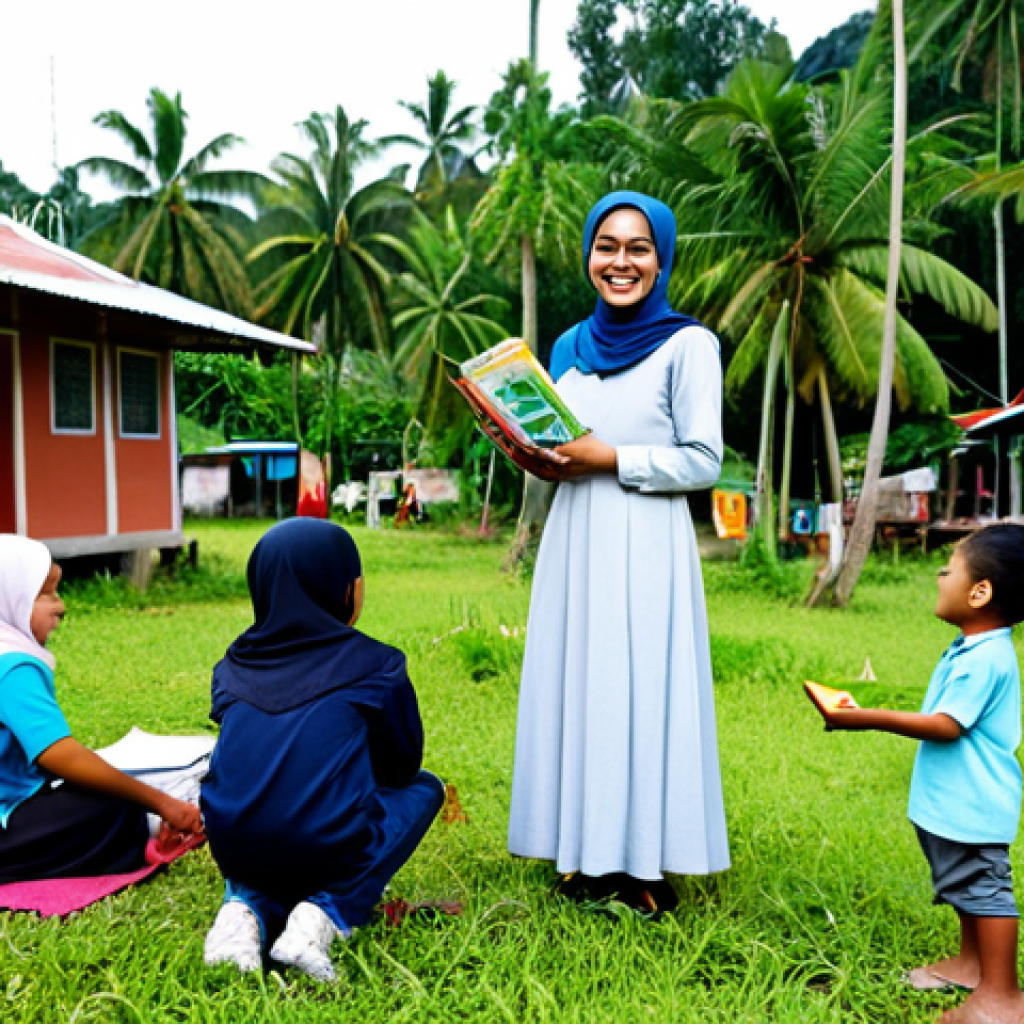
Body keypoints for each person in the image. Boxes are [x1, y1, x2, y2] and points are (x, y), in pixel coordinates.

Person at [507, 191, 730, 912]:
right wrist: (535, 455)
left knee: (638, 694)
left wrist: (609, 459)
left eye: (638, 248)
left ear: (661, 260)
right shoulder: (568, 347)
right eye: (607, 246)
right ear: (588, 255)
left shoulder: (688, 343)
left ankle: (642, 870)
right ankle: (584, 854)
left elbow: (704, 462)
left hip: (646, 547)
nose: (621, 261)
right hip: (574, 542)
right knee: (583, 690)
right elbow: (560, 442)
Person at [200, 518, 444, 982]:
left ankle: (241, 911)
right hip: (327, 844)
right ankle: (320, 916)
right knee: (425, 789)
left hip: (232, 843)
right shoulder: (378, 663)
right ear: (344, 588)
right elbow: (400, 768)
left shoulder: (230, 667)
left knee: (266, 820)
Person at [815, 525, 1024, 1024]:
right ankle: (972, 965)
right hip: (956, 803)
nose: (938, 574)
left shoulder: (986, 657)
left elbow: (946, 726)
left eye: (948, 568)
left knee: (985, 890)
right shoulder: (972, 648)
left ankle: (1002, 996)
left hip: (975, 804)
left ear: (980, 592)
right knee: (964, 885)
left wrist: (861, 717)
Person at [0, 535, 202, 882]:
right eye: (45, 594)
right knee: (116, 808)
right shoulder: (13, 666)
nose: (60, 607)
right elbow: (59, 754)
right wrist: (162, 803)